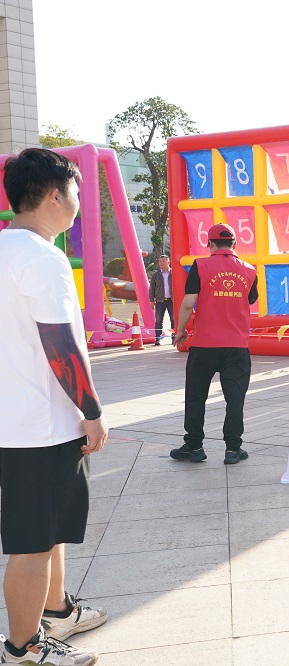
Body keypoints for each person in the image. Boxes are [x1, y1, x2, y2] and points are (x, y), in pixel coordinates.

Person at [0, 148, 109, 665]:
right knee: (32, 542)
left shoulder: (5, 249)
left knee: (51, 530)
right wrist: (92, 410)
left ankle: (59, 610)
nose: (79, 201)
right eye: (76, 191)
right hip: (39, 425)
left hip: (17, 418)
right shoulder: (44, 257)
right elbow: (59, 344)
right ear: (53, 195)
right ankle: (23, 647)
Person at [170, 223, 258, 466]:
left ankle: (194, 446)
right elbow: (251, 299)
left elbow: (189, 303)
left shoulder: (200, 266)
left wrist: (180, 330)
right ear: (234, 244)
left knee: (196, 396)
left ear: (209, 243)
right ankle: (233, 449)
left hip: (204, 345)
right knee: (235, 399)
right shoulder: (250, 270)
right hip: (237, 346)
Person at [148, 254, 174, 345]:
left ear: (168, 262)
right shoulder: (156, 275)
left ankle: (174, 337)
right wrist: (152, 300)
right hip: (160, 301)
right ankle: (158, 338)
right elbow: (152, 288)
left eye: (163, 261)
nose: (161, 263)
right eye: (160, 261)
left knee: (173, 320)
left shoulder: (174, 273)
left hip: (172, 301)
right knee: (158, 320)